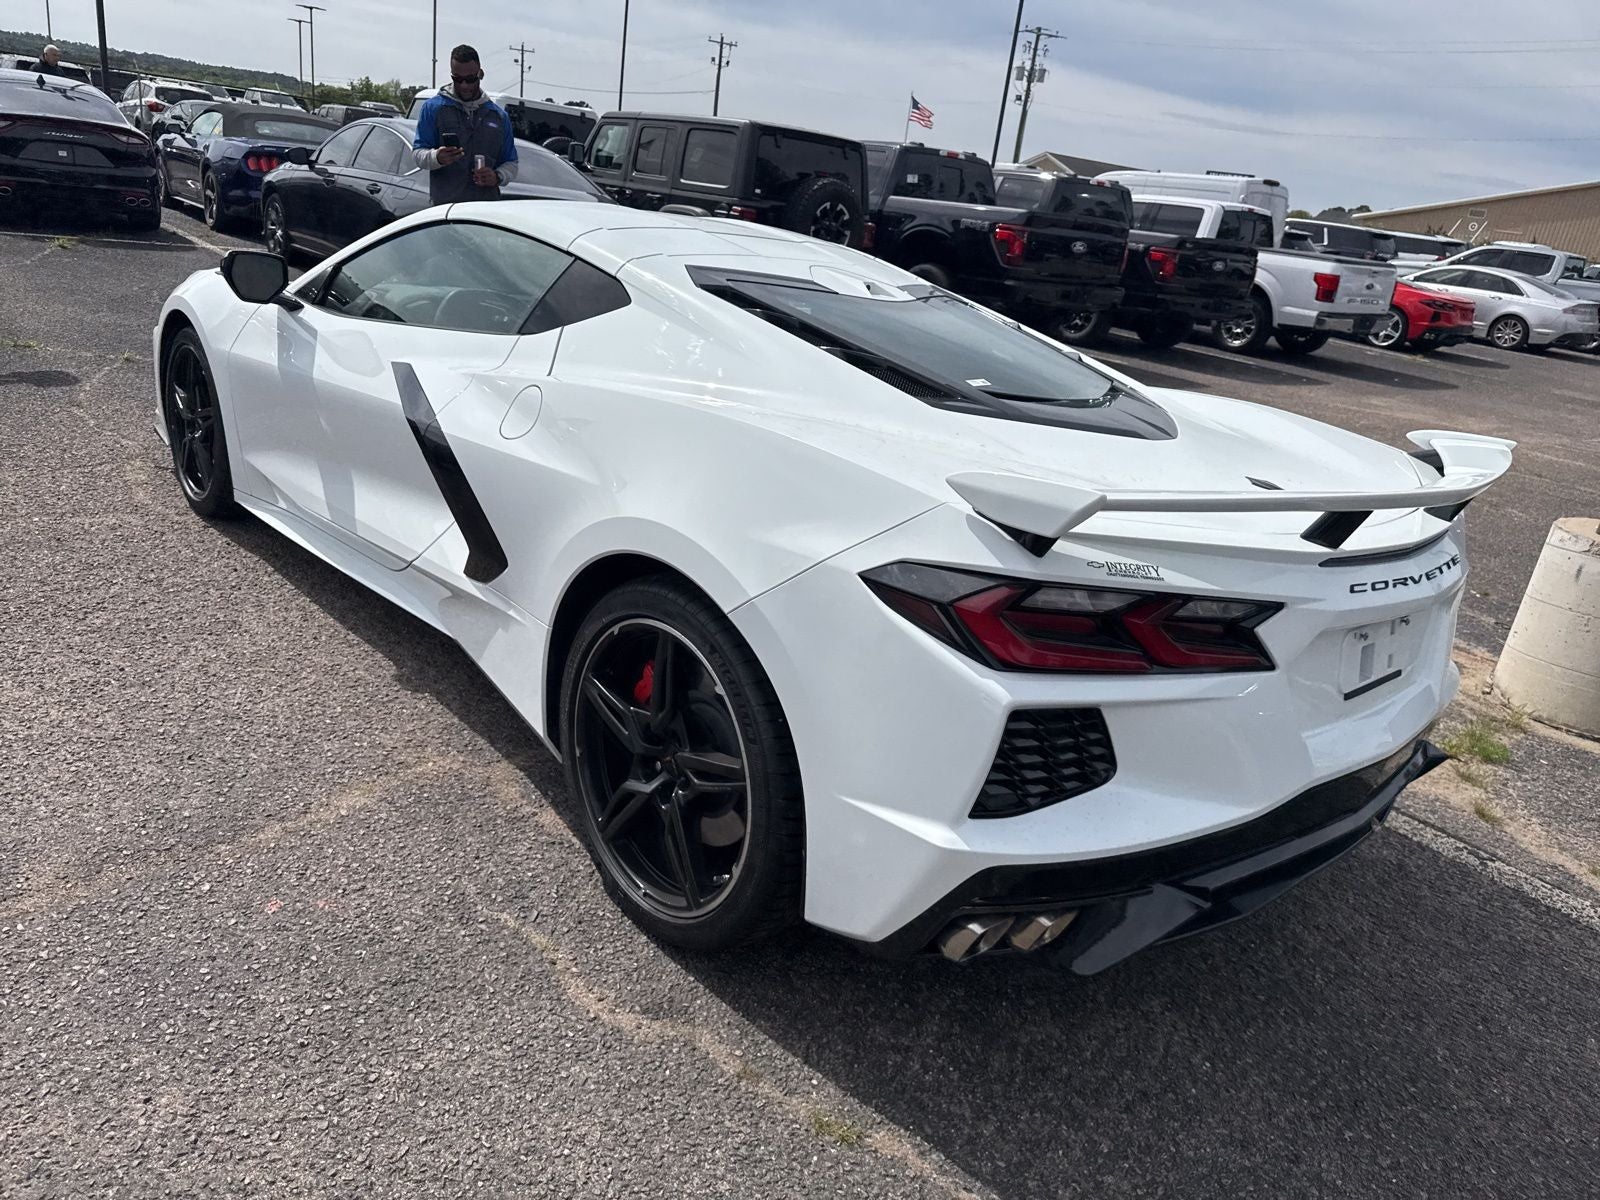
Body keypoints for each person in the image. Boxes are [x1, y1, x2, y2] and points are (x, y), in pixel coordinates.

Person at [411, 45, 518, 204]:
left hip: (485, 212)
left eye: (470, 79)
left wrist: (497, 176)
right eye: (457, 79)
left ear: (480, 74)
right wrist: (436, 157)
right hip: (445, 210)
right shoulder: (433, 108)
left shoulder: (498, 116)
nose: (464, 85)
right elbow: (417, 154)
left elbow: (512, 163)